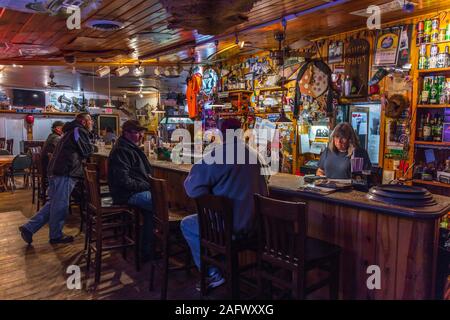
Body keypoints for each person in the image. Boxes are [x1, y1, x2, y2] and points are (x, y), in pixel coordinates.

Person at [180, 118, 269, 290]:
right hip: (256, 226)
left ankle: (213, 272)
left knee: (187, 224)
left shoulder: (219, 154)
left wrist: (210, 196)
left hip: (229, 228)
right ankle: (222, 264)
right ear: (242, 132)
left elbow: (191, 188)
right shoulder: (257, 155)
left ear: (220, 133)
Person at [19, 113, 94, 244]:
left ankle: (29, 228)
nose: (92, 122)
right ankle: (55, 236)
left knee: (54, 203)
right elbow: (87, 150)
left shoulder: (70, 131)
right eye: (90, 120)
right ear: (83, 122)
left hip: (56, 170)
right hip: (64, 171)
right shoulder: (78, 130)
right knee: (60, 205)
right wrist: (94, 146)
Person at [107, 120, 153, 261]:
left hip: (130, 191)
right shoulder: (122, 150)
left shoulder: (129, 147)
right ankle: (149, 249)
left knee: (154, 209)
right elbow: (124, 181)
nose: (140, 135)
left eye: (141, 132)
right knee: (160, 205)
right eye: (136, 132)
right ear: (126, 133)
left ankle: (148, 247)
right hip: (126, 194)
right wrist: (147, 185)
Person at [41, 120, 65, 189]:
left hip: (46, 167)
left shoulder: (51, 136)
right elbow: (64, 150)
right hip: (50, 169)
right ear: (58, 128)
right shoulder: (56, 138)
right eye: (63, 128)